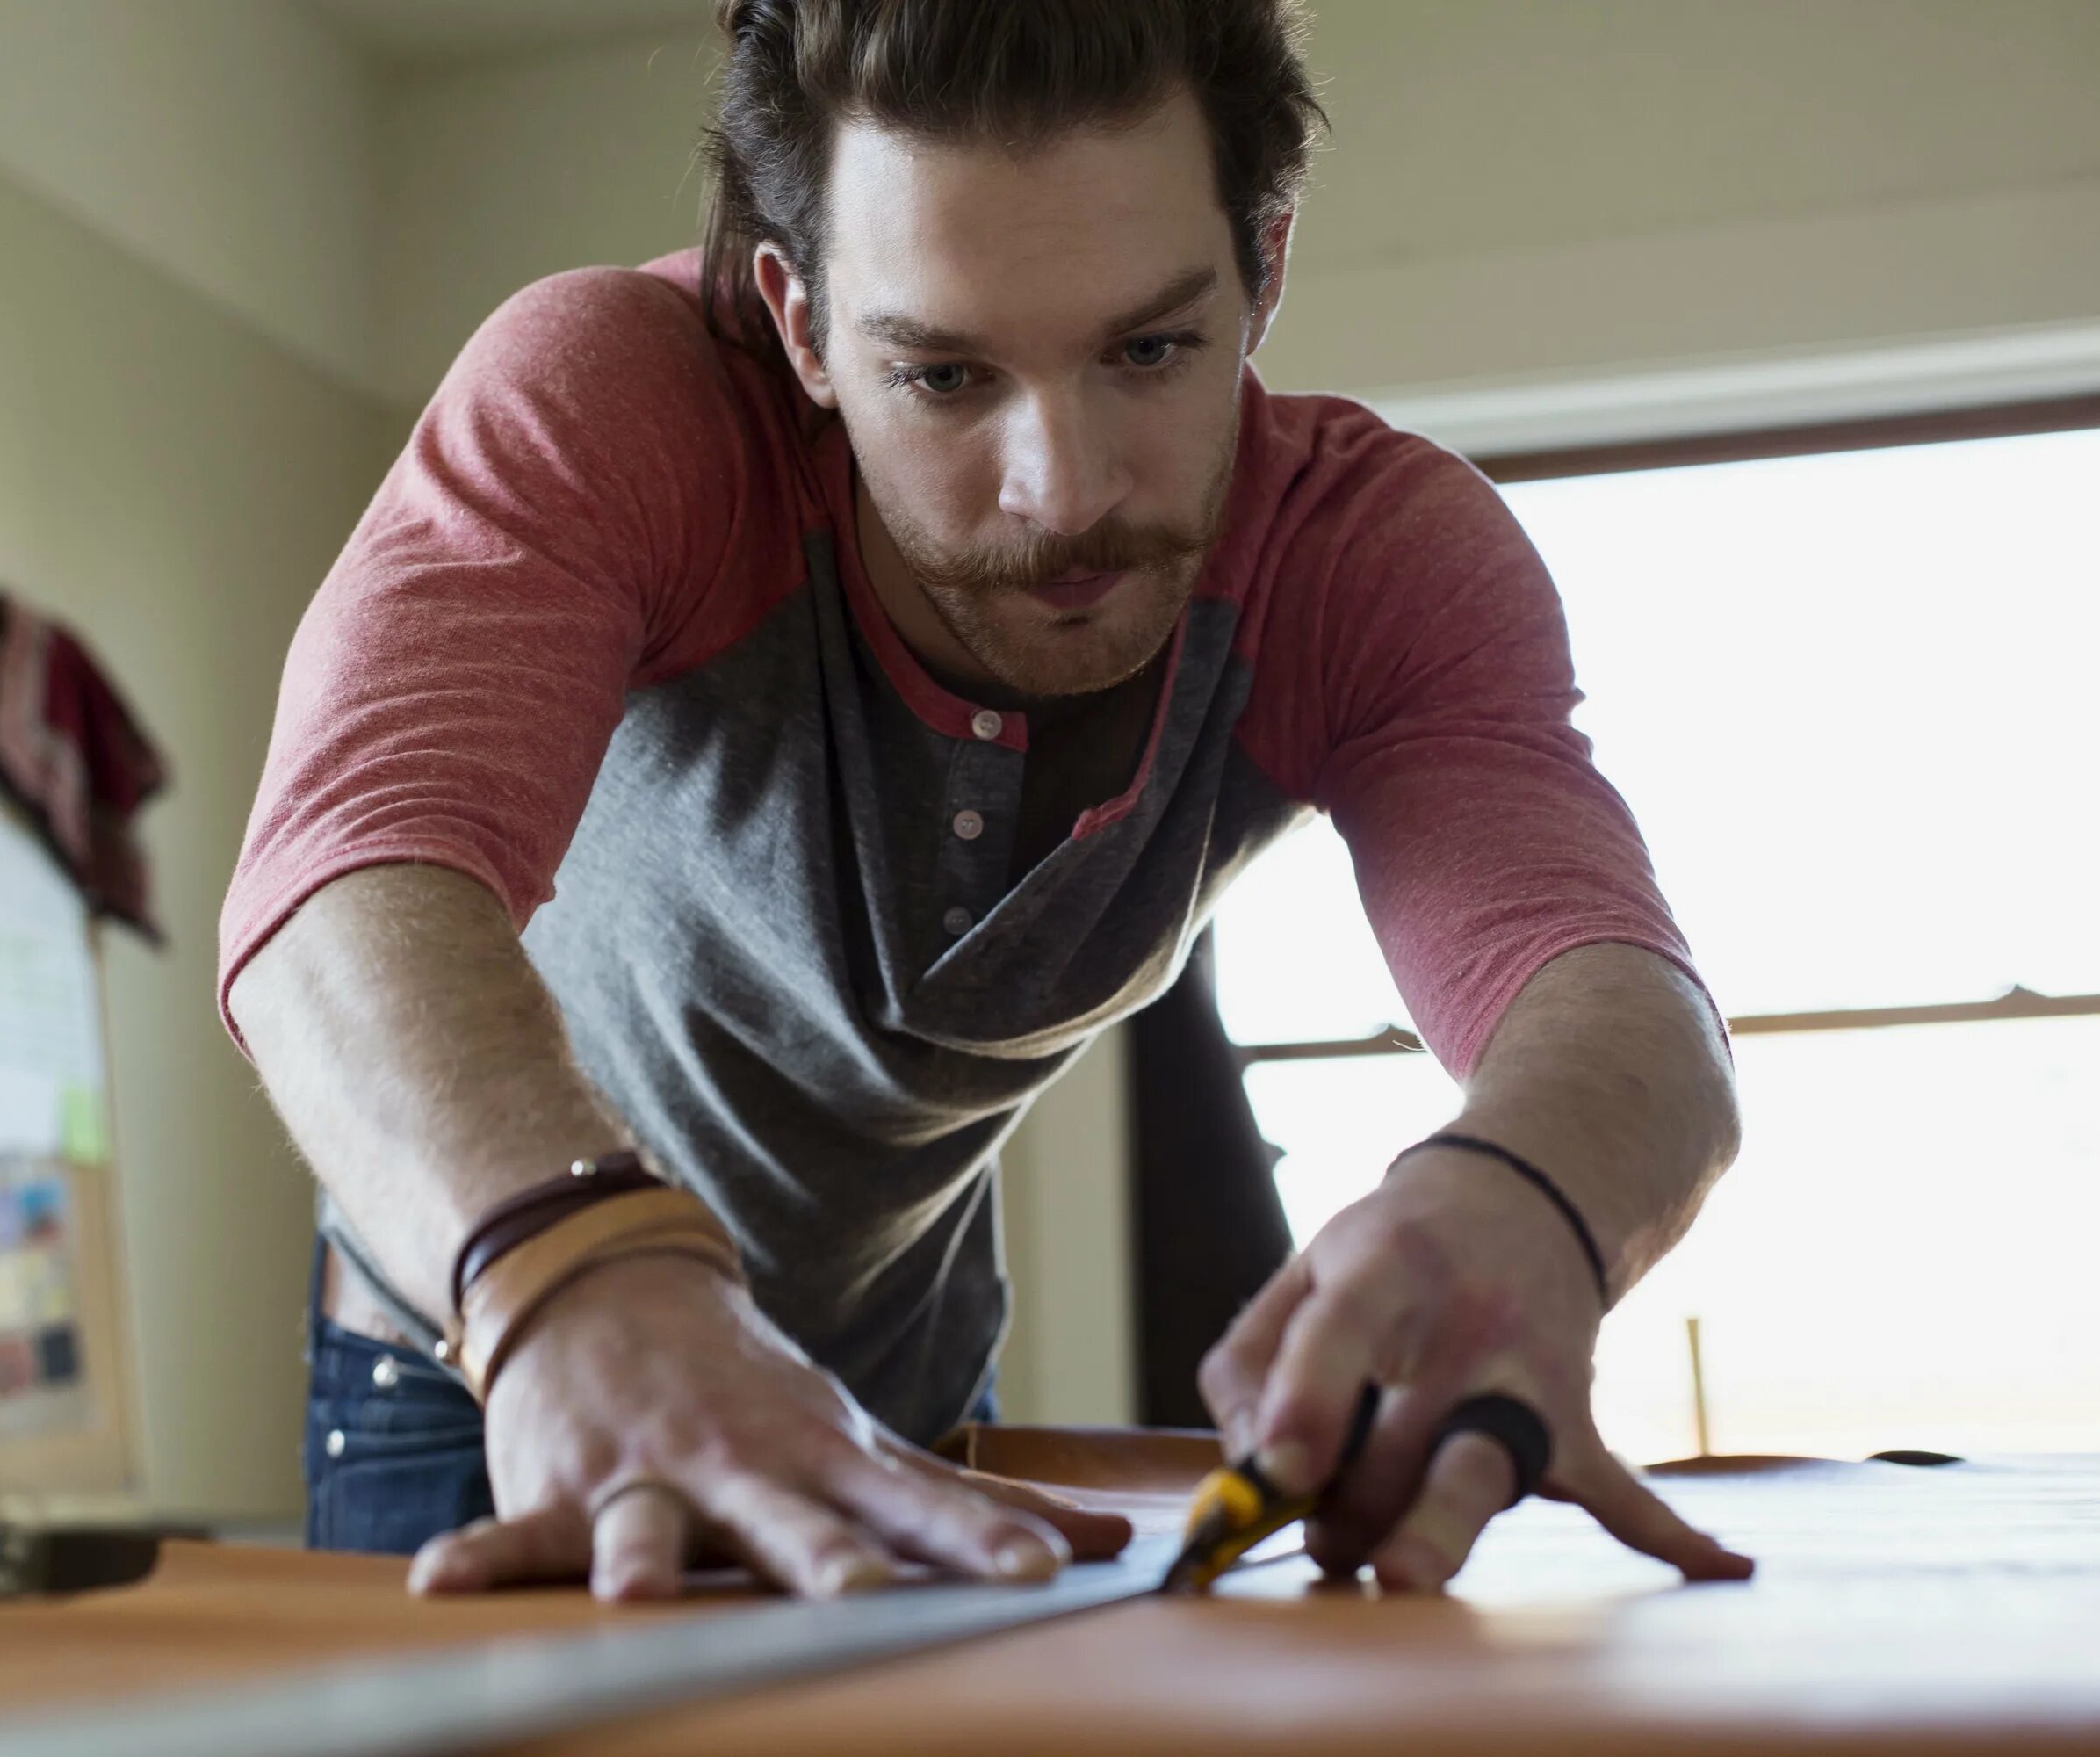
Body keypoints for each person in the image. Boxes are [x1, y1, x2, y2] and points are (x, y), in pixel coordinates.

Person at [221, 0, 1756, 1602]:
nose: (1066, 489)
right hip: (491, 1332)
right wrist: (568, 1270)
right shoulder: (618, 400)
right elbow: (347, 870)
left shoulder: (1370, 560)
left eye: (1151, 351)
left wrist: (1521, 1195)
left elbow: (1616, 999)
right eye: (946, 376)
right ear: (802, 328)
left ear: (1266, 272)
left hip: (907, 1385)